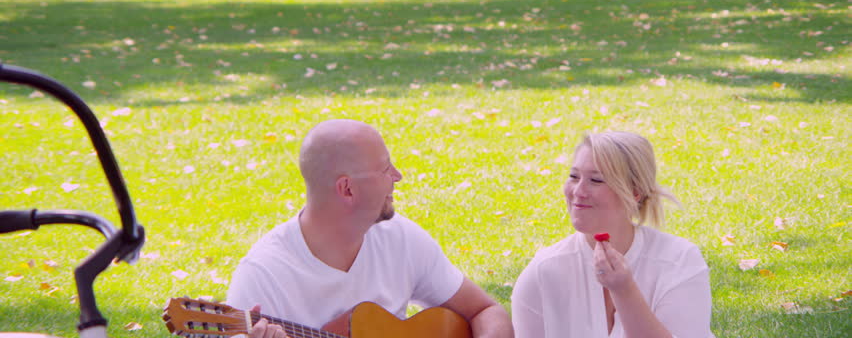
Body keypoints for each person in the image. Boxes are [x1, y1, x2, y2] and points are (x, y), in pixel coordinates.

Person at [227, 119, 513, 338]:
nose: (397, 177)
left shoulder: (400, 238)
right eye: (385, 169)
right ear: (347, 189)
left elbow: (485, 310)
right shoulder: (262, 276)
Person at [511, 131, 715, 338]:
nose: (578, 191)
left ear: (635, 192)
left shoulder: (679, 261)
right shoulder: (544, 272)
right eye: (574, 177)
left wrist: (624, 290)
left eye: (596, 180)